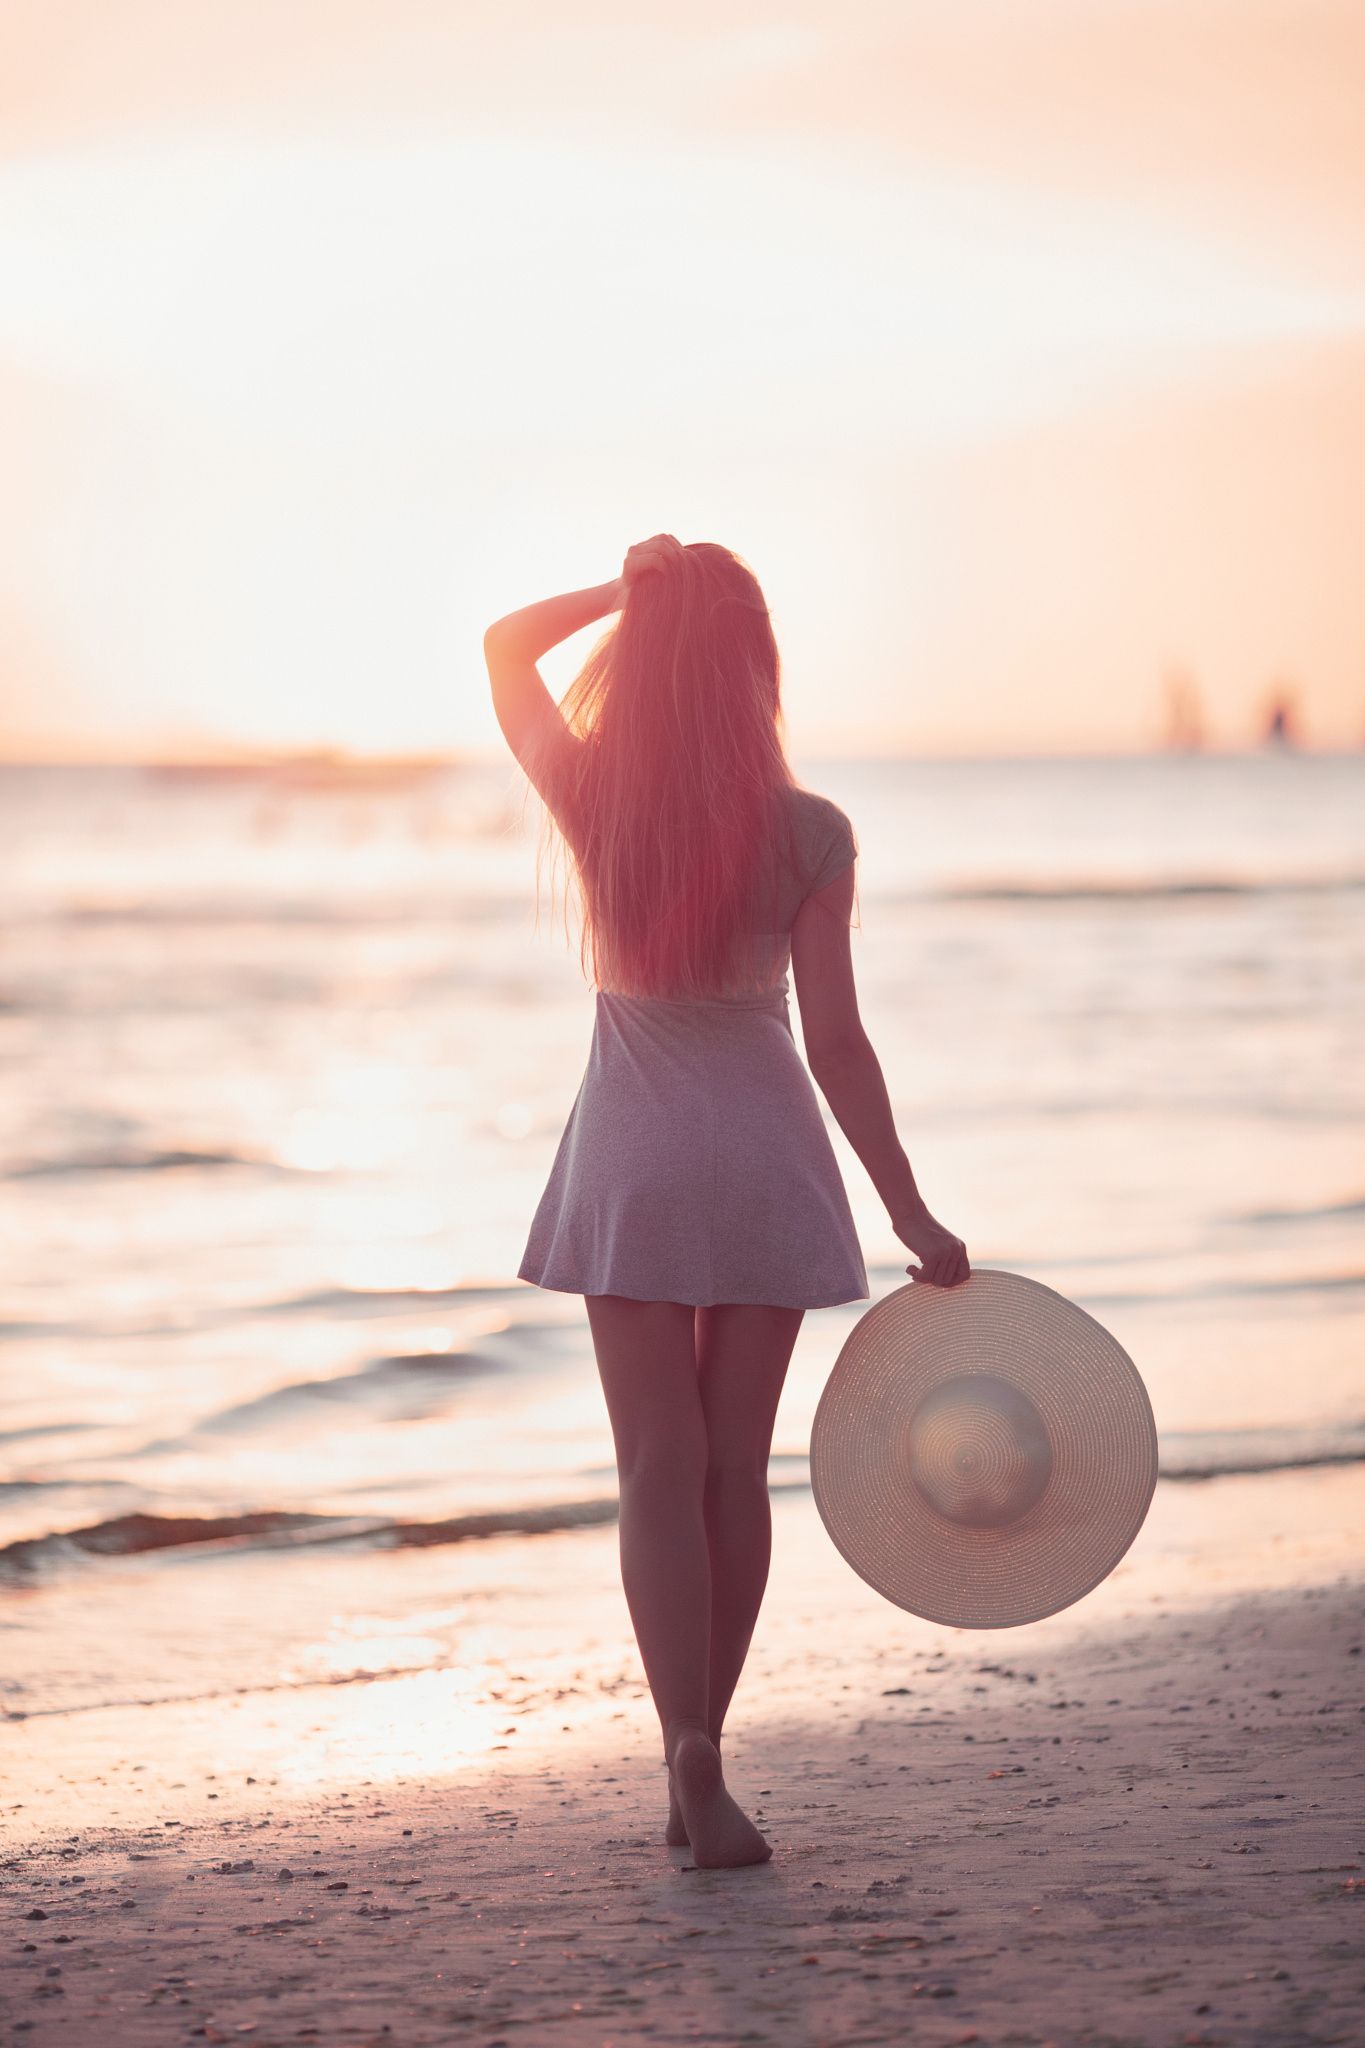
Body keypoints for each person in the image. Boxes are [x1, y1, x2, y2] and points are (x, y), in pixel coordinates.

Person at [483, 533, 970, 1869]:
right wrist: (909, 1213)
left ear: (643, 659)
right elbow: (840, 1047)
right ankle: (708, 1747)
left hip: (634, 1159)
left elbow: (503, 648)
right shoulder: (811, 834)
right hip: (766, 1158)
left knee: (655, 1465)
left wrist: (616, 590)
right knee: (731, 1472)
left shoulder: (598, 799)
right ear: (756, 663)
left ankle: (682, 1743)